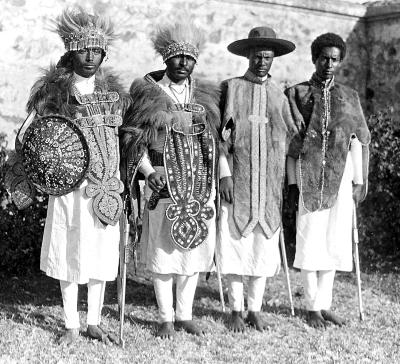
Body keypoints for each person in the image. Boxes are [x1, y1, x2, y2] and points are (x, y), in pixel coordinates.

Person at [24, 8, 130, 344]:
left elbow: (128, 139)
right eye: (83, 50)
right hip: (71, 189)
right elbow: (33, 135)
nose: (90, 57)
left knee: (101, 253)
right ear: (71, 52)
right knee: (71, 250)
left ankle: (95, 321)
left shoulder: (115, 94)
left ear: (103, 54)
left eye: (97, 51)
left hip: (108, 187)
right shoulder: (54, 92)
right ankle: (71, 323)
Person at [120, 21, 220, 339]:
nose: (183, 64)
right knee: (163, 250)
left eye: (189, 58)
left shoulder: (204, 94)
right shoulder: (148, 93)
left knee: (193, 249)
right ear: (166, 58)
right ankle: (165, 317)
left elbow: (215, 143)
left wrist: (213, 182)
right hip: (162, 182)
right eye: (177, 57)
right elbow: (134, 141)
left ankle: (185, 314)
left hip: (198, 182)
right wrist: (149, 174)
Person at [285, 33, 370, 329]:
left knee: (333, 239)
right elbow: (290, 140)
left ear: (340, 61)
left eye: (335, 59)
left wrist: (359, 180)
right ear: (314, 58)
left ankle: (325, 304)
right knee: (310, 238)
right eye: (324, 58)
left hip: (340, 175)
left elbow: (358, 139)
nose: (329, 64)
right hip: (308, 176)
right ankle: (310, 307)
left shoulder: (349, 97)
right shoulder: (296, 94)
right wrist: (293, 182)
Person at [218, 27, 297, 332]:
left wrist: (290, 183)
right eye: (257, 56)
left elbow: (291, 141)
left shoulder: (280, 94)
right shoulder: (233, 88)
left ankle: (255, 309)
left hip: (269, 186)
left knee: (262, 249)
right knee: (237, 245)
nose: (262, 62)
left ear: (273, 59)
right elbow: (220, 137)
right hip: (238, 182)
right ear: (247, 56)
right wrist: (224, 175)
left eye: (268, 57)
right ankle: (236, 309)